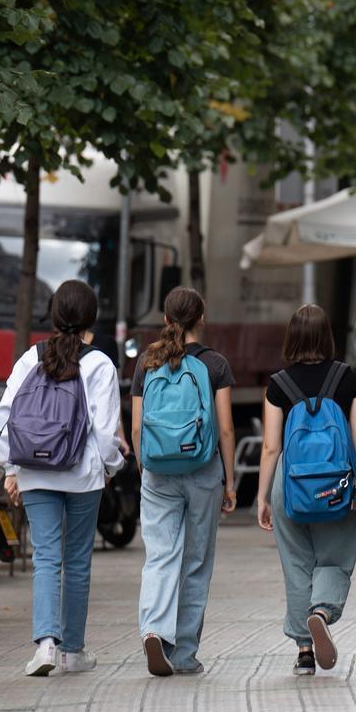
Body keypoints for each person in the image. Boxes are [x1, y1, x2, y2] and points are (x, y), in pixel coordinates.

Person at [0, 280, 124, 676]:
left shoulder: (30, 358)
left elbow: (5, 418)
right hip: (81, 474)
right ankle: (72, 652)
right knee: (77, 561)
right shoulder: (99, 363)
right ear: (91, 318)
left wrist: (11, 468)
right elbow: (104, 432)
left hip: (34, 471)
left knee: (46, 557)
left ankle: (45, 646)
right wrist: (111, 467)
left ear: (53, 315)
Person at [255, 305, 356, 675]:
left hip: (290, 486)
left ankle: (304, 649)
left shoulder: (278, 384)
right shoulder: (348, 379)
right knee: (335, 560)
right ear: (328, 336)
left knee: (296, 565)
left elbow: (271, 447)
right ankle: (321, 610)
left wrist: (262, 496)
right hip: (336, 486)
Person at [130, 287, 237, 677]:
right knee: (196, 561)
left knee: (159, 555)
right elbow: (225, 428)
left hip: (158, 469)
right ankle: (184, 653)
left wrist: (146, 469)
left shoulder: (148, 361)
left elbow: (138, 425)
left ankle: (154, 629)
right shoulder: (215, 364)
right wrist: (230, 481)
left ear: (165, 319)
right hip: (203, 469)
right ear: (201, 319)